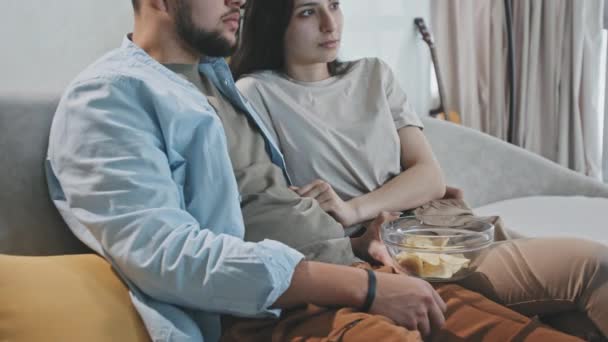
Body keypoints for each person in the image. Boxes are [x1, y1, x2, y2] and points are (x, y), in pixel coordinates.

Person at [44, 0, 596, 341]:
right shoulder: (111, 95)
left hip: (361, 273)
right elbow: (167, 256)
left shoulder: (216, 80)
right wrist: (362, 289)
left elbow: (278, 202)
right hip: (281, 310)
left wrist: (366, 249)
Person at [230, 0, 608, 340]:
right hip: (380, 254)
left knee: (591, 278)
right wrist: (357, 226)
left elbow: (429, 176)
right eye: (308, 12)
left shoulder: (374, 75)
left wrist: (354, 209)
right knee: (578, 292)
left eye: (335, 5)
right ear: (273, 22)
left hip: (436, 228)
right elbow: (271, 205)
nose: (331, 24)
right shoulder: (255, 93)